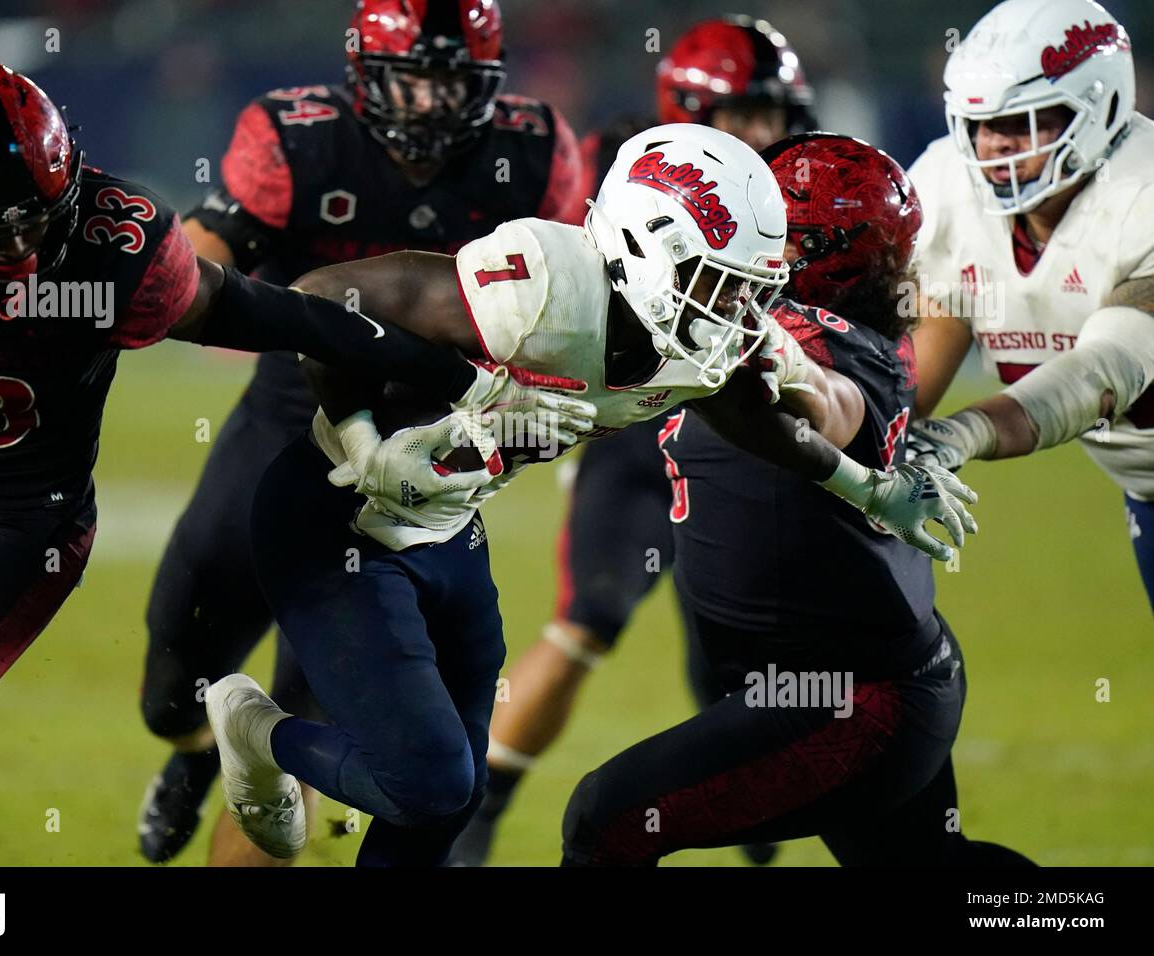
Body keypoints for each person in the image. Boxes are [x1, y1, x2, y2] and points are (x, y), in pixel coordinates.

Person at [0, 59, 587, 867]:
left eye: (42, 220)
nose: (26, 251)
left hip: (10, 530)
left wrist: (462, 381)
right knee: (133, 698)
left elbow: (272, 311)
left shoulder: (112, 248)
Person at [204, 122, 978, 867]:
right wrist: (364, 438)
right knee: (430, 784)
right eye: (722, 283)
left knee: (451, 802)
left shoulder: (689, 328)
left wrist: (865, 487)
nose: (740, 313)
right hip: (337, 519)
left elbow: (746, 411)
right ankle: (253, 731)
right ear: (645, 250)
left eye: (752, 290)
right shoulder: (540, 294)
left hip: (447, 531)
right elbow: (323, 299)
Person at [136, 0, 589, 865]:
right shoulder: (298, 136)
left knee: (314, 697)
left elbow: (564, 309)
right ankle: (194, 756)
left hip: (428, 441)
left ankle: (262, 760)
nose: (430, 104)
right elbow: (199, 264)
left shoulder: (532, 149)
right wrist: (152, 287)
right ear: (364, 78)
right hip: (289, 417)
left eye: (453, 83)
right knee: (174, 677)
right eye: (410, 81)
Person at [560, 133, 1032, 868]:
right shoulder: (781, 319)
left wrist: (772, 356)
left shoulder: (826, 344)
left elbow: (826, 398)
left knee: (606, 820)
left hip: (853, 700)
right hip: (873, 670)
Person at [450, 14, 817, 867]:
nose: (767, 134)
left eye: (776, 114)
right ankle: (480, 810)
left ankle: (755, 829)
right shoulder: (624, 163)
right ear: (689, 107)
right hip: (633, 437)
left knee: (737, 660)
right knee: (591, 616)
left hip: (733, 442)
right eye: (749, 113)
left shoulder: (790, 187)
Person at [904, 0, 1154, 609]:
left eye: (1025, 122)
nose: (993, 146)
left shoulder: (1141, 193)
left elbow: (1101, 375)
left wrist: (962, 434)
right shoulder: (948, 191)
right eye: (981, 124)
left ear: (1102, 110)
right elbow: (901, 388)